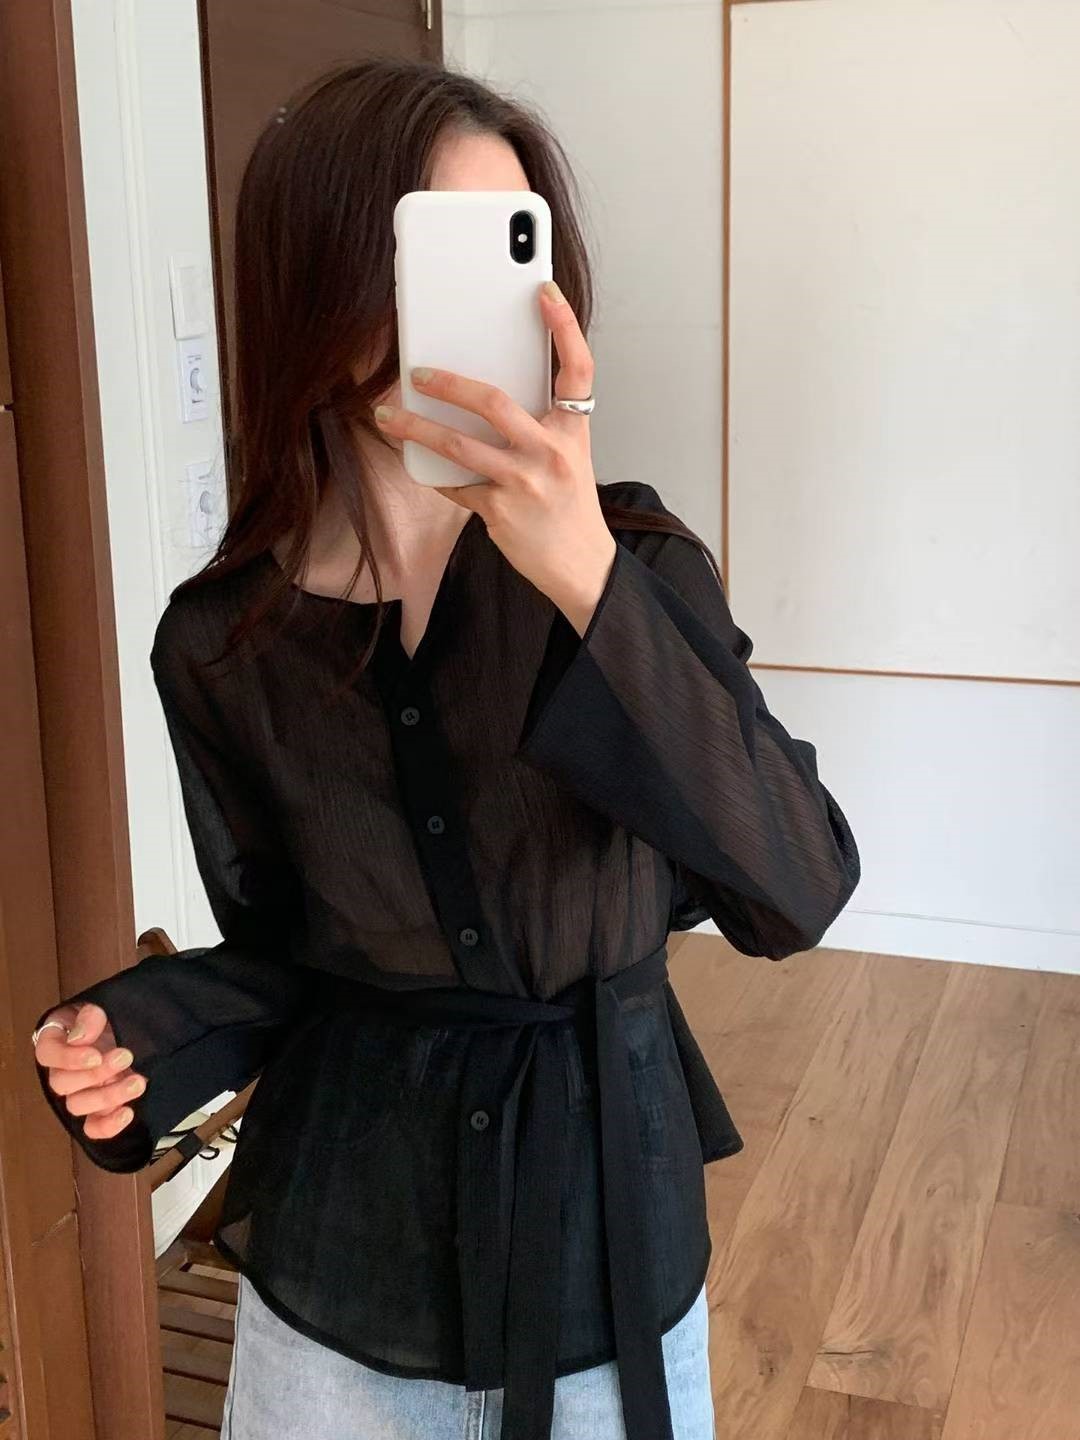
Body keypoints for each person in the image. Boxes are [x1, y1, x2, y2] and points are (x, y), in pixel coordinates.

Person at [31, 57, 861, 1440]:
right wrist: (146, 1038)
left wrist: (585, 577)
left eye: (512, 250)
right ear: (322, 277)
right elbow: (300, 958)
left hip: (602, 1248)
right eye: (439, 252)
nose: (494, 306)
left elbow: (799, 886)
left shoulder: (635, 568)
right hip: (345, 1273)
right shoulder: (224, 642)